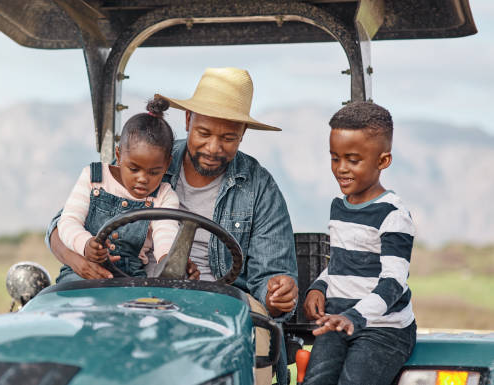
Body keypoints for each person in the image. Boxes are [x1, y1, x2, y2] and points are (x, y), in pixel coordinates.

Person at [46, 67, 298, 385]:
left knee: (256, 342)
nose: (213, 148)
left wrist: (277, 294)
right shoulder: (150, 157)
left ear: (243, 133)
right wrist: (77, 259)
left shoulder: (259, 186)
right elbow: (61, 225)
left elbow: (271, 276)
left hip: (222, 304)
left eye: (228, 138)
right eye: (204, 133)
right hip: (133, 291)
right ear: (188, 120)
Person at [302, 101, 417, 385]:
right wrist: (319, 286)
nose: (342, 169)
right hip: (339, 320)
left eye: (353, 160)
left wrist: (355, 316)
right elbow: (342, 264)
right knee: (314, 380)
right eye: (335, 158)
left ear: (382, 161)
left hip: (383, 329)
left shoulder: (393, 215)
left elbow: (394, 283)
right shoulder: (338, 207)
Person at [55, 98, 179, 280]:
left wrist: (167, 260)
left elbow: (166, 235)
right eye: (134, 169)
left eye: (154, 172)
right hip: (83, 271)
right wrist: (86, 244)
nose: (142, 179)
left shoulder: (164, 196)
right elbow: (68, 222)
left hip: (130, 276)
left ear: (167, 164)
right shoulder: (94, 178)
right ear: (119, 155)